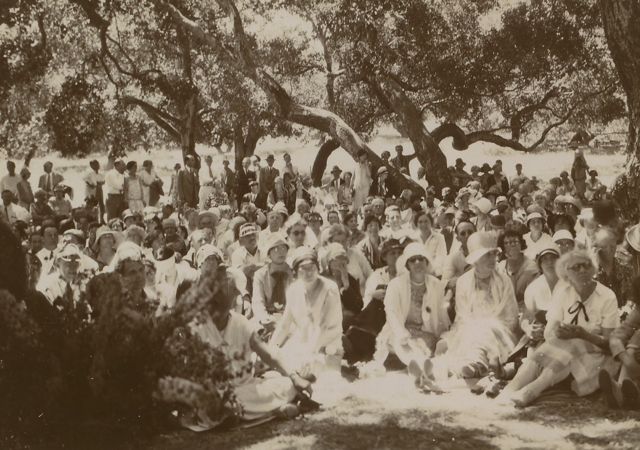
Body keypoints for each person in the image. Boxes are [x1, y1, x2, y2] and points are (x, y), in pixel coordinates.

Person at [188, 269, 312, 422]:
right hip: (215, 393)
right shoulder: (196, 327)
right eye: (216, 296)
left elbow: (268, 355)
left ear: (234, 299)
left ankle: (247, 414)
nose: (219, 303)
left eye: (227, 295)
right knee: (216, 403)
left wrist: (294, 377)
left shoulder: (240, 323)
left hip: (247, 388)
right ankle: (272, 411)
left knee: (286, 385)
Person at [499, 249, 619, 407]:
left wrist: (583, 335)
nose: (582, 270)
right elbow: (550, 332)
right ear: (566, 273)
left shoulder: (607, 296)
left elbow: (610, 344)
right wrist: (558, 332)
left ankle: (531, 391)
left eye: (586, 265)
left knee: (573, 344)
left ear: (593, 268)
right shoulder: (563, 293)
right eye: (576, 267)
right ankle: (511, 388)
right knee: (547, 351)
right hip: (562, 351)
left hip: (595, 355)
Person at [425, 232, 519, 386]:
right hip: (469, 329)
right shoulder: (463, 281)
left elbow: (511, 315)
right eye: (487, 255)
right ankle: (476, 363)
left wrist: (489, 326)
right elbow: (463, 316)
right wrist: (477, 326)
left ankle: (475, 363)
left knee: (483, 333)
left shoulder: (504, 280)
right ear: (476, 259)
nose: (492, 259)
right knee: (445, 345)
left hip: (500, 331)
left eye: (493, 254)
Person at [374, 243, 451, 380]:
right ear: (407, 265)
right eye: (412, 260)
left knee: (431, 344)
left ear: (426, 262)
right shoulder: (395, 285)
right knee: (402, 344)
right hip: (399, 331)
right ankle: (419, 369)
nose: (417, 263)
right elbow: (391, 313)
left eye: (421, 259)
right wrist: (402, 334)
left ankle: (424, 370)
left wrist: (444, 335)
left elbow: (441, 314)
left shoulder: (436, 284)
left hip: (425, 333)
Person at [271, 247, 343, 375]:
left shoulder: (330, 288)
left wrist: (309, 355)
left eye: (312, 268)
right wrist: (270, 350)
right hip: (302, 342)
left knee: (320, 376)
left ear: (318, 268)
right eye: (303, 269)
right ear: (295, 272)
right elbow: (284, 325)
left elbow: (323, 326)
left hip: (326, 344)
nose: (308, 273)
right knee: (278, 365)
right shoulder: (293, 290)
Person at [601, 276, 640, 409]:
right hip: (635, 364)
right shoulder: (638, 311)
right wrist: (625, 357)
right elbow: (616, 336)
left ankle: (626, 393)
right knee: (635, 340)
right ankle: (622, 392)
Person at [252, 235, 293, 333]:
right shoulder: (260, 274)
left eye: (284, 248)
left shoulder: (293, 273)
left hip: (289, 316)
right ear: (269, 254)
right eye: (275, 248)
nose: (281, 251)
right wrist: (264, 319)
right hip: (268, 315)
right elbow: (258, 301)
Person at [322, 243, 364, 331]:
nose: (341, 262)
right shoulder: (322, 279)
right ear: (330, 262)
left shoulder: (350, 279)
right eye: (338, 258)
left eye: (344, 258)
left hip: (346, 323)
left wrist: (347, 286)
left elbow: (358, 307)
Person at [497, 229, 539, 306]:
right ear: (503, 247)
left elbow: (529, 296)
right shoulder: (500, 266)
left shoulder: (532, 267)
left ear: (521, 244)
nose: (512, 245)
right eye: (507, 243)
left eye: (515, 241)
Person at [411, 210, 447, 277]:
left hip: (435, 273)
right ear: (416, 224)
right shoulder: (412, 239)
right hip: (417, 273)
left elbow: (441, 257)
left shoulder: (439, 238)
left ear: (431, 223)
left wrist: (434, 273)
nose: (423, 224)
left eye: (426, 221)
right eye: (420, 222)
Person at [442, 221, 475, 290]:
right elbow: (445, 282)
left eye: (470, 232)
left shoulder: (486, 254)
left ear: (476, 233)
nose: (467, 235)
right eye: (463, 233)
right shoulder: (453, 257)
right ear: (458, 238)